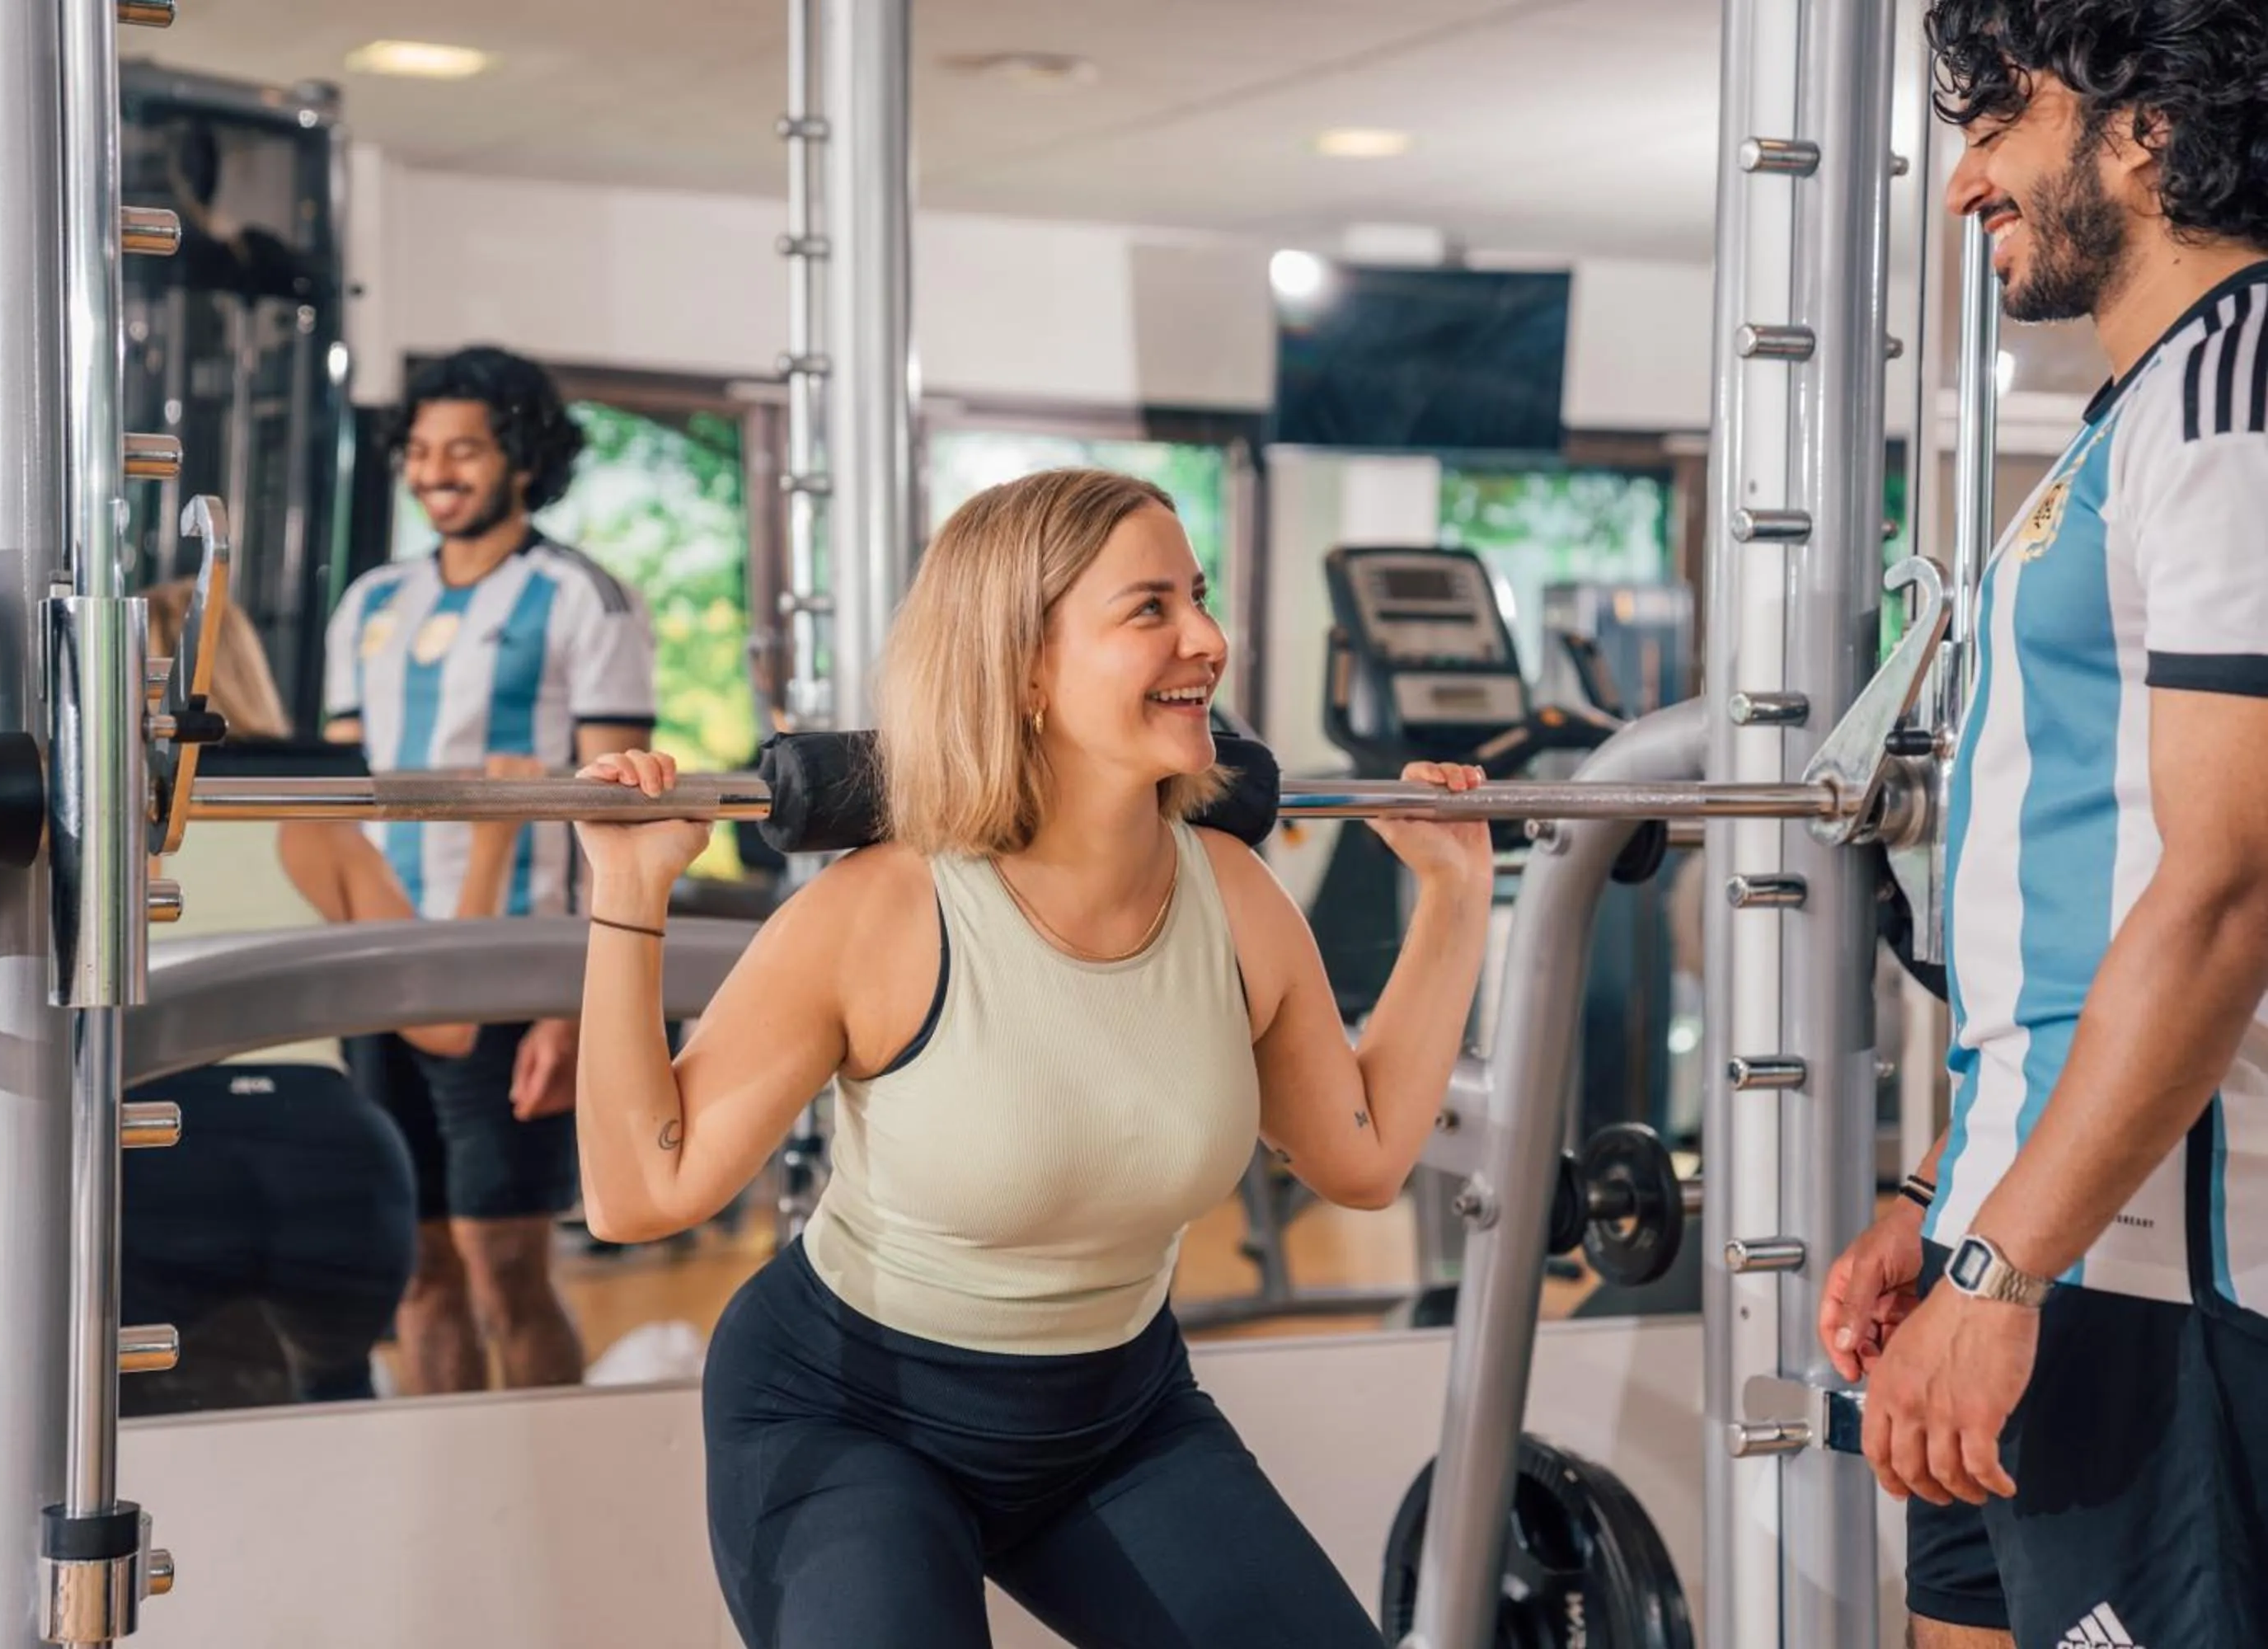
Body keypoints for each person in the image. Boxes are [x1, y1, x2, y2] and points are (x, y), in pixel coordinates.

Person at [566, 467, 1493, 1649]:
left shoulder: (1235, 899)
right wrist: (629, 896)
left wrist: (1457, 901)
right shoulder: (884, 912)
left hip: (1118, 1421)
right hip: (850, 1419)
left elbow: (1359, 1158)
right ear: (1027, 667)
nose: (1208, 640)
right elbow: (642, 1194)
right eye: (1149, 608)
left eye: (1198, 599)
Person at [1817, 6, 2268, 1647]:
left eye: (1999, 122)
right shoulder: (2134, 414)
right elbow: (2090, 852)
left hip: (2168, 1264)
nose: (1964, 183)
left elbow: (2225, 889)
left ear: (2145, 128)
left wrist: (2005, 1266)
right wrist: (1946, 1193)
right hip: (2047, 1224)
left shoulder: (2239, 398)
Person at [322, 345, 658, 1393]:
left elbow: (622, 808)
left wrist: (572, 1002)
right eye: (420, 451)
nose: (436, 472)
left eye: (463, 449)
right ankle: (451, 1489)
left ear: (520, 456)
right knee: (414, 1270)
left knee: (507, 1264)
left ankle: (544, 1479)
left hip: (517, 971)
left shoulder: (583, 598)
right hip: (385, 966)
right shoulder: (370, 602)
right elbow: (337, 800)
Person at [124, 582, 509, 1413]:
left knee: (140, 1433)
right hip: (334, 1157)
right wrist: (494, 842)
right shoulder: (314, 826)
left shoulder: (96, 834)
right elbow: (449, 1025)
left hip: (161, 1145)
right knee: (333, 1413)